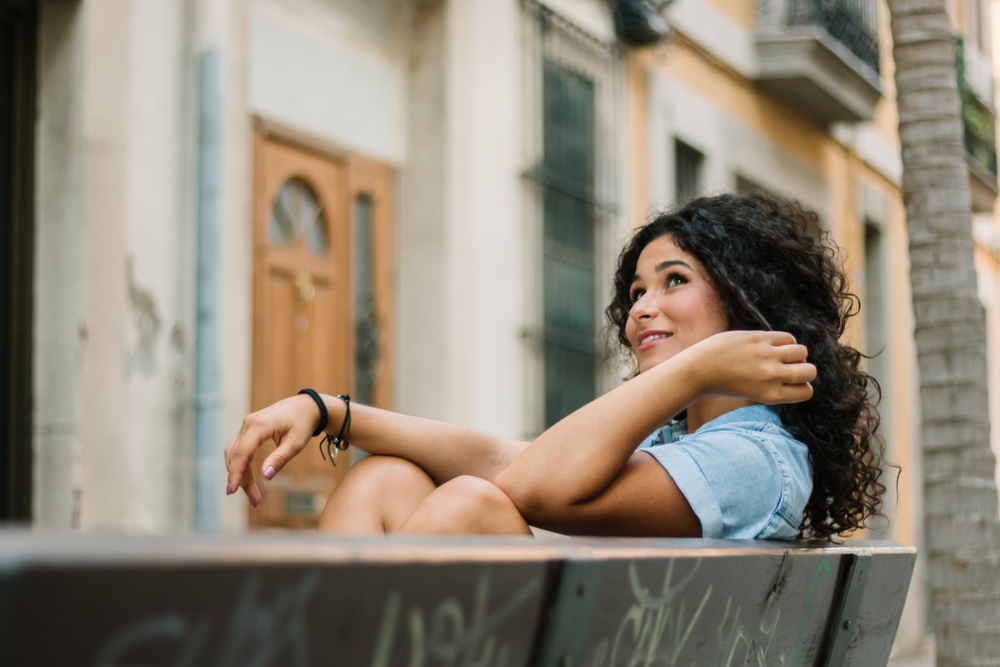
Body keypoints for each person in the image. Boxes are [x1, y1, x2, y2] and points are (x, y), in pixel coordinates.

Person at [224, 193, 886, 540]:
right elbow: (504, 459)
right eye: (635, 293)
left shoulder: (754, 460)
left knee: (471, 506)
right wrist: (326, 410)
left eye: (673, 281)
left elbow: (529, 488)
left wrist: (691, 370)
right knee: (387, 480)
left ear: (748, 299)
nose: (641, 311)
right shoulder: (688, 441)